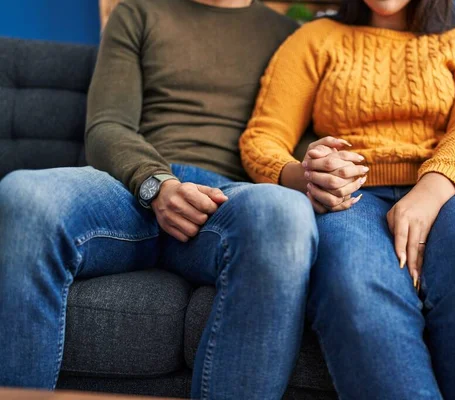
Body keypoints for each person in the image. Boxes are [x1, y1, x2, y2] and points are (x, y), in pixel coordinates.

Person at [0, 0, 317, 399]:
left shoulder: (290, 36)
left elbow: (296, 145)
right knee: (24, 195)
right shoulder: (138, 11)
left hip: (228, 201)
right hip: (134, 189)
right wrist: (157, 185)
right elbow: (107, 125)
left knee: (285, 212)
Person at [239, 0, 455, 398]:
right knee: (354, 283)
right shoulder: (315, 39)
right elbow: (262, 138)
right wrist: (308, 177)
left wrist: (428, 193)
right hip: (353, 197)